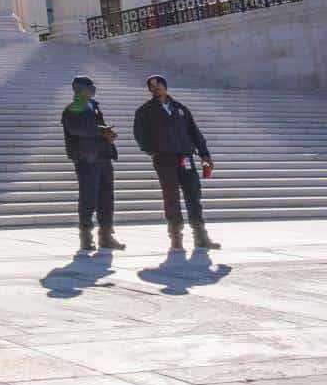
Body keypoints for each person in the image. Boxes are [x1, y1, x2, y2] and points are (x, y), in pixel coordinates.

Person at [133, 74, 221, 251]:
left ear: (165, 87)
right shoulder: (145, 111)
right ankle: (176, 237)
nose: (155, 89)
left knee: (193, 194)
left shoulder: (180, 109)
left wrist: (205, 154)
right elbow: (140, 134)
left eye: (158, 86)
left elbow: (194, 132)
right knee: (171, 196)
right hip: (164, 158)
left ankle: (200, 235)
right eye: (152, 87)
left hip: (185, 157)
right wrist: (153, 151)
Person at [61, 76, 124, 252]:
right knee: (88, 197)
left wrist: (107, 134)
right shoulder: (74, 107)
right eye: (89, 88)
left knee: (106, 198)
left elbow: (95, 128)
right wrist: (102, 131)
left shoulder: (93, 106)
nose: (92, 91)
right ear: (80, 90)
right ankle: (86, 236)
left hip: (103, 157)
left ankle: (106, 236)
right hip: (86, 159)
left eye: (91, 88)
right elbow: (77, 129)